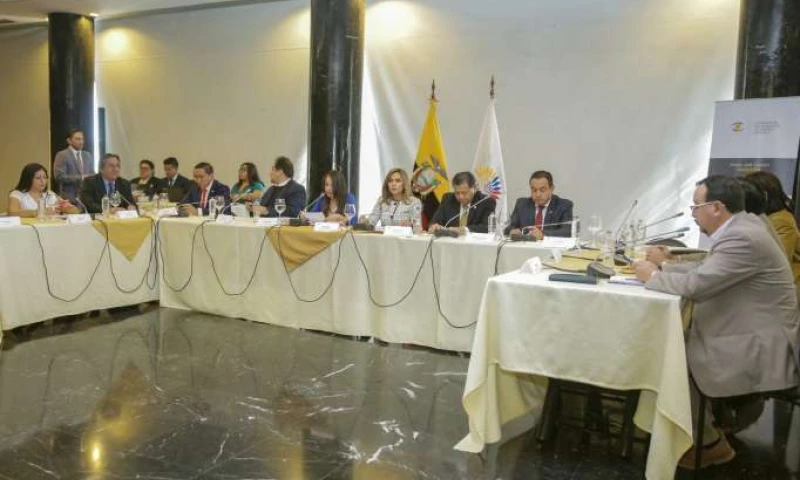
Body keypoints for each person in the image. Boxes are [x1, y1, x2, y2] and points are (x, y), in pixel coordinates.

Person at [634, 175, 799, 470]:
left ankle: (709, 444)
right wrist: (666, 266)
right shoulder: (744, 227)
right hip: (752, 330)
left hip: (760, 345)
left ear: (717, 208)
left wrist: (654, 277)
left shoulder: (743, 236)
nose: (692, 213)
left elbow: (699, 285)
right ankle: (691, 430)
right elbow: (708, 268)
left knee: (671, 356)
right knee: (672, 344)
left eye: (696, 206)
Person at [745, 171, 800, 297]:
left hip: (787, 284)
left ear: (763, 196)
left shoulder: (781, 221)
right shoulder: (762, 218)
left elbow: (776, 260)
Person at [506, 170, 574, 238]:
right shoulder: (522, 204)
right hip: (524, 247)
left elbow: (567, 232)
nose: (538, 194)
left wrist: (543, 234)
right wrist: (512, 231)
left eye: (542, 190)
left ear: (551, 189)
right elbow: (509, 227)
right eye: (534, 190)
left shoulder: (564, 205)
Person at [430, 172, 496, 234]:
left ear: (474, 189)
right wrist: (435, 226)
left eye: (464, 193)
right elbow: (435, 221)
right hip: (450, 243)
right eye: (457, 193)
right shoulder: (448, 199)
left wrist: (463, 230)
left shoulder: (486, 201)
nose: (460, 197)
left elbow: (487, 227)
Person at [8, 163, 80, 217]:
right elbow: (12, 213)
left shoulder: (50, 194)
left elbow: (76, 211)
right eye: (38, 178)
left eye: (45, 177)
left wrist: (66, 207)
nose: (43, 181)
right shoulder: (17, 194)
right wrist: (40, 212)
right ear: (28, 179)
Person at [53, 129, 95, 203]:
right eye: (77, 139)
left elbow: (92, 174)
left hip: (87, 199)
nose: (81, 142)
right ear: (69, 141)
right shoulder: (62, 155)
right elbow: (59, 176)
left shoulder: (88, 155)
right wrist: (81, 177)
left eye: (82, 139)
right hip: (69, 199)